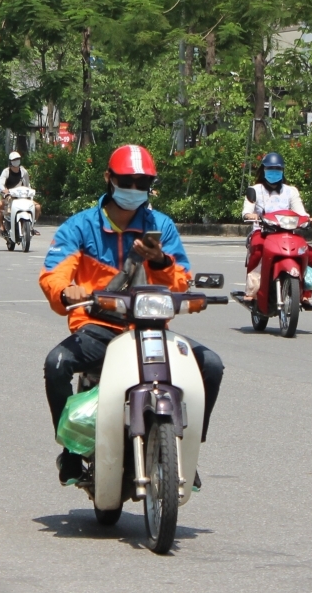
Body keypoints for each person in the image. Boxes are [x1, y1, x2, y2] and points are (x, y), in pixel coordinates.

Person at [40, 144, 224, 486]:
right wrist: (67, 291)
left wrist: (159, 261)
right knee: (57, 363)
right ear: (109, 178)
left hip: (152, 328)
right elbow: (55, 272)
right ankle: (69, 451)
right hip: (100, 327)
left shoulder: (161, 227)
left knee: (211, 365)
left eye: (143, 183)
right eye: (129, 181)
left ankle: (187, 452)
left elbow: (181, 279)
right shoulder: (80, 227)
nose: (135, 189)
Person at [241, 152, 312, 310]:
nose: (273, 172)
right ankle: (251, 291)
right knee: (257, 252)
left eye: (277, 169)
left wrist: (309, 219)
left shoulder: (291, 191)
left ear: (282, 171)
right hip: (263, 233)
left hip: (287, 234)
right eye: (270, 169)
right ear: (264, 170)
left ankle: (305, 293)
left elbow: (301, 212)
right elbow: (246, 211)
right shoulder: (255, 190)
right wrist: (252, 215)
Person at [0, 151, 41, 236]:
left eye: (18, 159)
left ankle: (31, 227)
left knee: (37, 207)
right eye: (14, 159)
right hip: (9, 198)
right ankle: (1, 226)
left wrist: (30, 192)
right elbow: (1, 184)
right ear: (10, 161)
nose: (16, 161)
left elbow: (27, 185)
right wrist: (5, 190)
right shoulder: (6, 172)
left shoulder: (24, 172)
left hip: (22, 198)